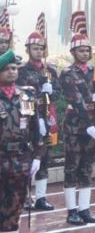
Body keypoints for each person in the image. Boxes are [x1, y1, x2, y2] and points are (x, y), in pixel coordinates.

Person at [59, 11, 95, 225]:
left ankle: (84, 208)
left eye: (87, 50)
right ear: (73, 52)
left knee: (87, 167)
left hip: (92, 124)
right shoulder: (68, 73)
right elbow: (76, 101)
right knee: (72, 167)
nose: (84, 53)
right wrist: (88, 124)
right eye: (80, 50)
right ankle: (71, 210)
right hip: (76, 125)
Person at [16, 21, 59, 211]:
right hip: (30, 120)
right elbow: (20, 96)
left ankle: (41, 197)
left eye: (42, 48)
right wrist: (35, 118)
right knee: (27, 159)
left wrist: (51, 91)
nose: (39, 51)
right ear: (28, 50)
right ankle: (26, 197)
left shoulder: (50, 71)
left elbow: (58, 95)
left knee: (45, 158)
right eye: (35, 48)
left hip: (47, 118)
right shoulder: (21, 72)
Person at [0, 49, 44, 232]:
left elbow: (36, 129)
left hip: (21, 159)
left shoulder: (27, 96)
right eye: (6, 69)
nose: (12, 72)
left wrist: (37, 157)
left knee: (17, 203)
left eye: (14, 68)